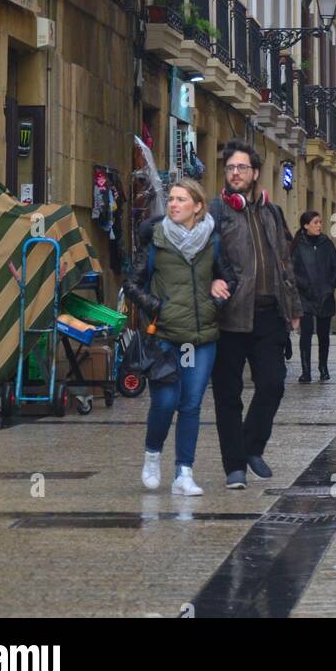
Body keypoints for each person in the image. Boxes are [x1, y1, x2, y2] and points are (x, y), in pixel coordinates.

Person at [124, 179, 235, 495]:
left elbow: (231, 279)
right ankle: (152, 454)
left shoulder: (212, 242)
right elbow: (132, 284)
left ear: (197, 206)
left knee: (190, 404)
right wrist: (156, 306)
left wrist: (219, 293)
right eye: (171, 199)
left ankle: (183, 474)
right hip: (166, 336)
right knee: (166, 400)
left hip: (201, 338)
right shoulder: (155, 241)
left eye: (181, 199)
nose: (173, 204)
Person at [209, 141, 303, 489]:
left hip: (267, 313)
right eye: (230, 168)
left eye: (242, 168)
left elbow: (284, 263)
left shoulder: (272, 213)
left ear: (255, 174)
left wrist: (293, 307)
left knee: (273, 384)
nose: (235, 173)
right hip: (230, 314)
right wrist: (211, 282)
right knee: (227, 393)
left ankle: (251, 446)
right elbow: (202, 257)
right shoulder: (216, 213)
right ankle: (234, 466)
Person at [291, 211, 336, 383]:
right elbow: (291, 270)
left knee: (323, 334)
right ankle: (306, 370)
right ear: (306, 225)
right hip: (305, 296)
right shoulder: (298, 245)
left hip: (325, 294)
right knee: (305, 334)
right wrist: (304, 285)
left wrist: (330, 286)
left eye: (320, 222)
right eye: (315, 222)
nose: (319, 225)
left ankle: (323, 367)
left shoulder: (326, 243)